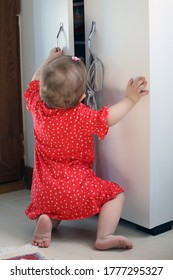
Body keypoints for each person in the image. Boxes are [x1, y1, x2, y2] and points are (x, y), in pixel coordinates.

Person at [24, 47, 149, 250]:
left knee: (51, 209)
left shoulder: (37, 106)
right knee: (116, 195)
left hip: (44, 193)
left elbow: (36, 78)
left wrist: (48, 59)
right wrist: (130, 99)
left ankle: (47, 220)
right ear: (82, 96)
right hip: (76, 190)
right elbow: (108, 118)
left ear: (42, 90)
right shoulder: (82, 115)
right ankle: (104, 236)